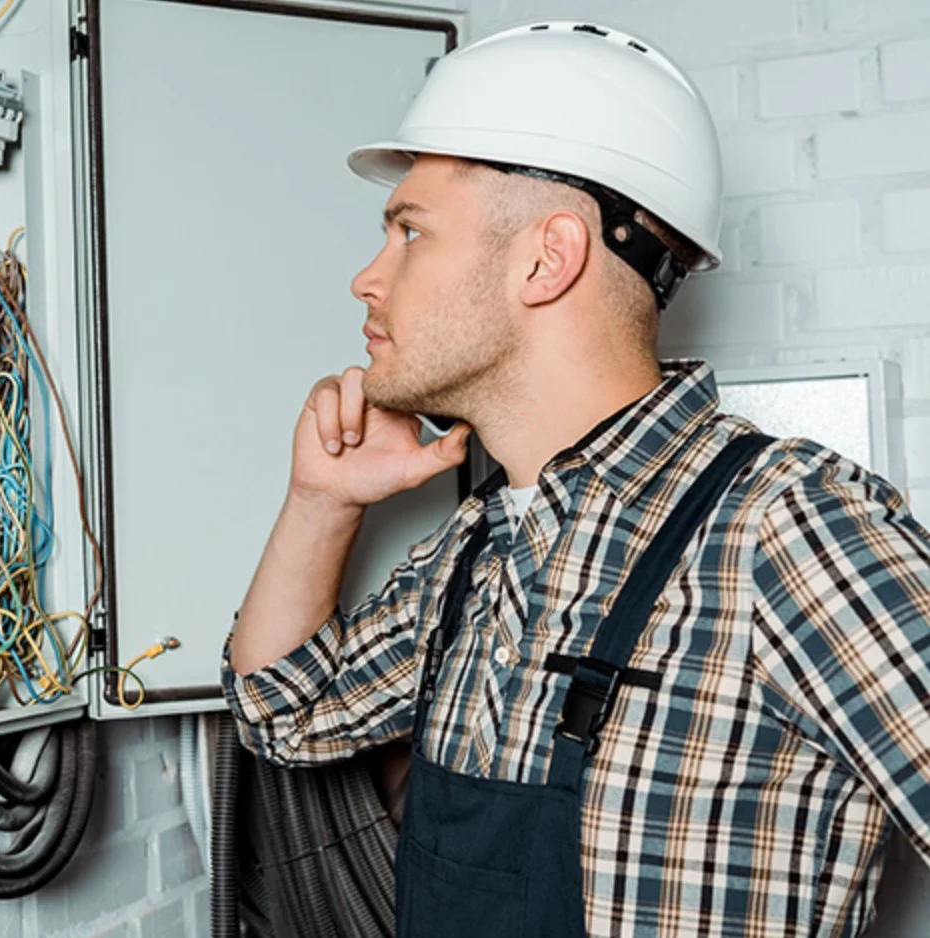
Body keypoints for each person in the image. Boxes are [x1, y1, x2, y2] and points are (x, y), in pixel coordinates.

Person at [221, 20, 930, 938]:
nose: (367, 278)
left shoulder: (785, 530)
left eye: (409, 231)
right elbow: (285, 713)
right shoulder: (476, 551)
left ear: (547, 260)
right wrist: (322, 502)